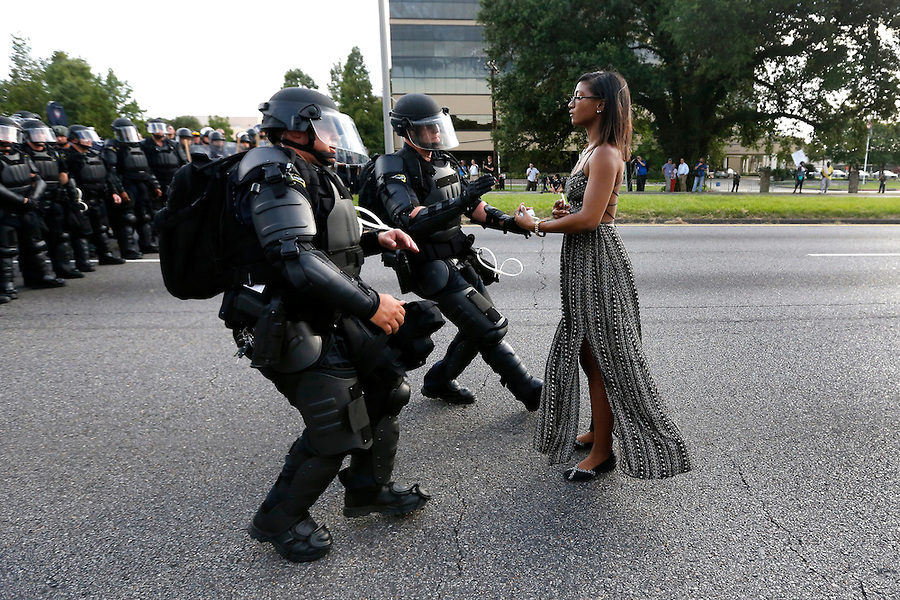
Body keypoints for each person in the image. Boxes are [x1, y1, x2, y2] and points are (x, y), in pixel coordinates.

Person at [217, 87, 437, 563]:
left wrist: (379, 237)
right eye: (327, 129)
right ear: (298, 127)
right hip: (285, 318)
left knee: (387, 388)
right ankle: (278, 519)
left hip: (323, 309)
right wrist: (370, 302)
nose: (336, 140)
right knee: (337, 424)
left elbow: (326, 235)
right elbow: (296, 257)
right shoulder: (272, 172)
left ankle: (366, 489)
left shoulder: (305, 170)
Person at [513, 71, 691, 481]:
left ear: (601, 104)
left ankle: (605, 451)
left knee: (605, 356)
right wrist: (563, 214)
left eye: (579, 97)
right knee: (588, 352)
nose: (572, 103)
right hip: (582, 260)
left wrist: (536, 224)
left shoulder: (607, 153)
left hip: (598, 262)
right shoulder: (589, 151)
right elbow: (582, 211)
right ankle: (599, 428)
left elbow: (592, 219)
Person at [373, 92, 543, 410]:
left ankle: (438, 380)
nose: (436, 133)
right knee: (489, 326)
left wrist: (512, 223)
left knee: (478, 326)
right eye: (428, 128)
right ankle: (529, 390)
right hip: (428, 264)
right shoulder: (393, 165)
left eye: (438, 126)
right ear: (407, 130)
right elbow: (407, 218)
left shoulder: (443, 161)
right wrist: (462, 202)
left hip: (458, 256)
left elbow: (474, 206)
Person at [0, 115, 65, 298]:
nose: (6, 137)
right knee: (6, 249)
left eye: (8, 132)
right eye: (2, 132)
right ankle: (5, 286)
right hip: (6, 209)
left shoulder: (22, 154)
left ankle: (40, 276)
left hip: (27, 206)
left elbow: (38, 179)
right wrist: (22, 201)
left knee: (36, 244)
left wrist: (33, 199)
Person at [20, 118, 85, 278]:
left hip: (55, 199)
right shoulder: (22, 153)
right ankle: (37, 275)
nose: (41, 136)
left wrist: (70, 194)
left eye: (43, 133)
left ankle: (63, 268)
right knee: (35, 241)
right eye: (37, 133)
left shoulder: (52, 152)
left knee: (60, 236)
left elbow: (63, 174)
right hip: (34, 201)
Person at [64, 125, 127, 265]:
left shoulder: (96, 155)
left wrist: (114, 192)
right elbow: (67, 180)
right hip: (82, 199)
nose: (88, 140)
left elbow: (108, 176)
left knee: (101, 228)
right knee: (81, 231)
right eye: (84, 137)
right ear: (74, 139)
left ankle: (105, 255)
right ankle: (83, 261)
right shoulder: (68, 157)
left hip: (99, 198)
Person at [103, 117, 162, 253]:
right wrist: (120, 190)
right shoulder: (112, 147)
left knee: (145, 216)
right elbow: (111, 171)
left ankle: (146, 244)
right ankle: (128, 248)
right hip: (127, 184)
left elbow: (147, 169)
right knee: (127, 218)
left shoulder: (138, 146)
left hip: (142, 185)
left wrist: (155, 185)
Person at [140, 119, 186, 195]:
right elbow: (144, 166)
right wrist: (154, 185)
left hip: (174, 181)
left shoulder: (174, 145)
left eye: (160, 128)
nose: (159, 130)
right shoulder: (145, 144)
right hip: (154, 181)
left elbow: (184, 163)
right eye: (155, 128)